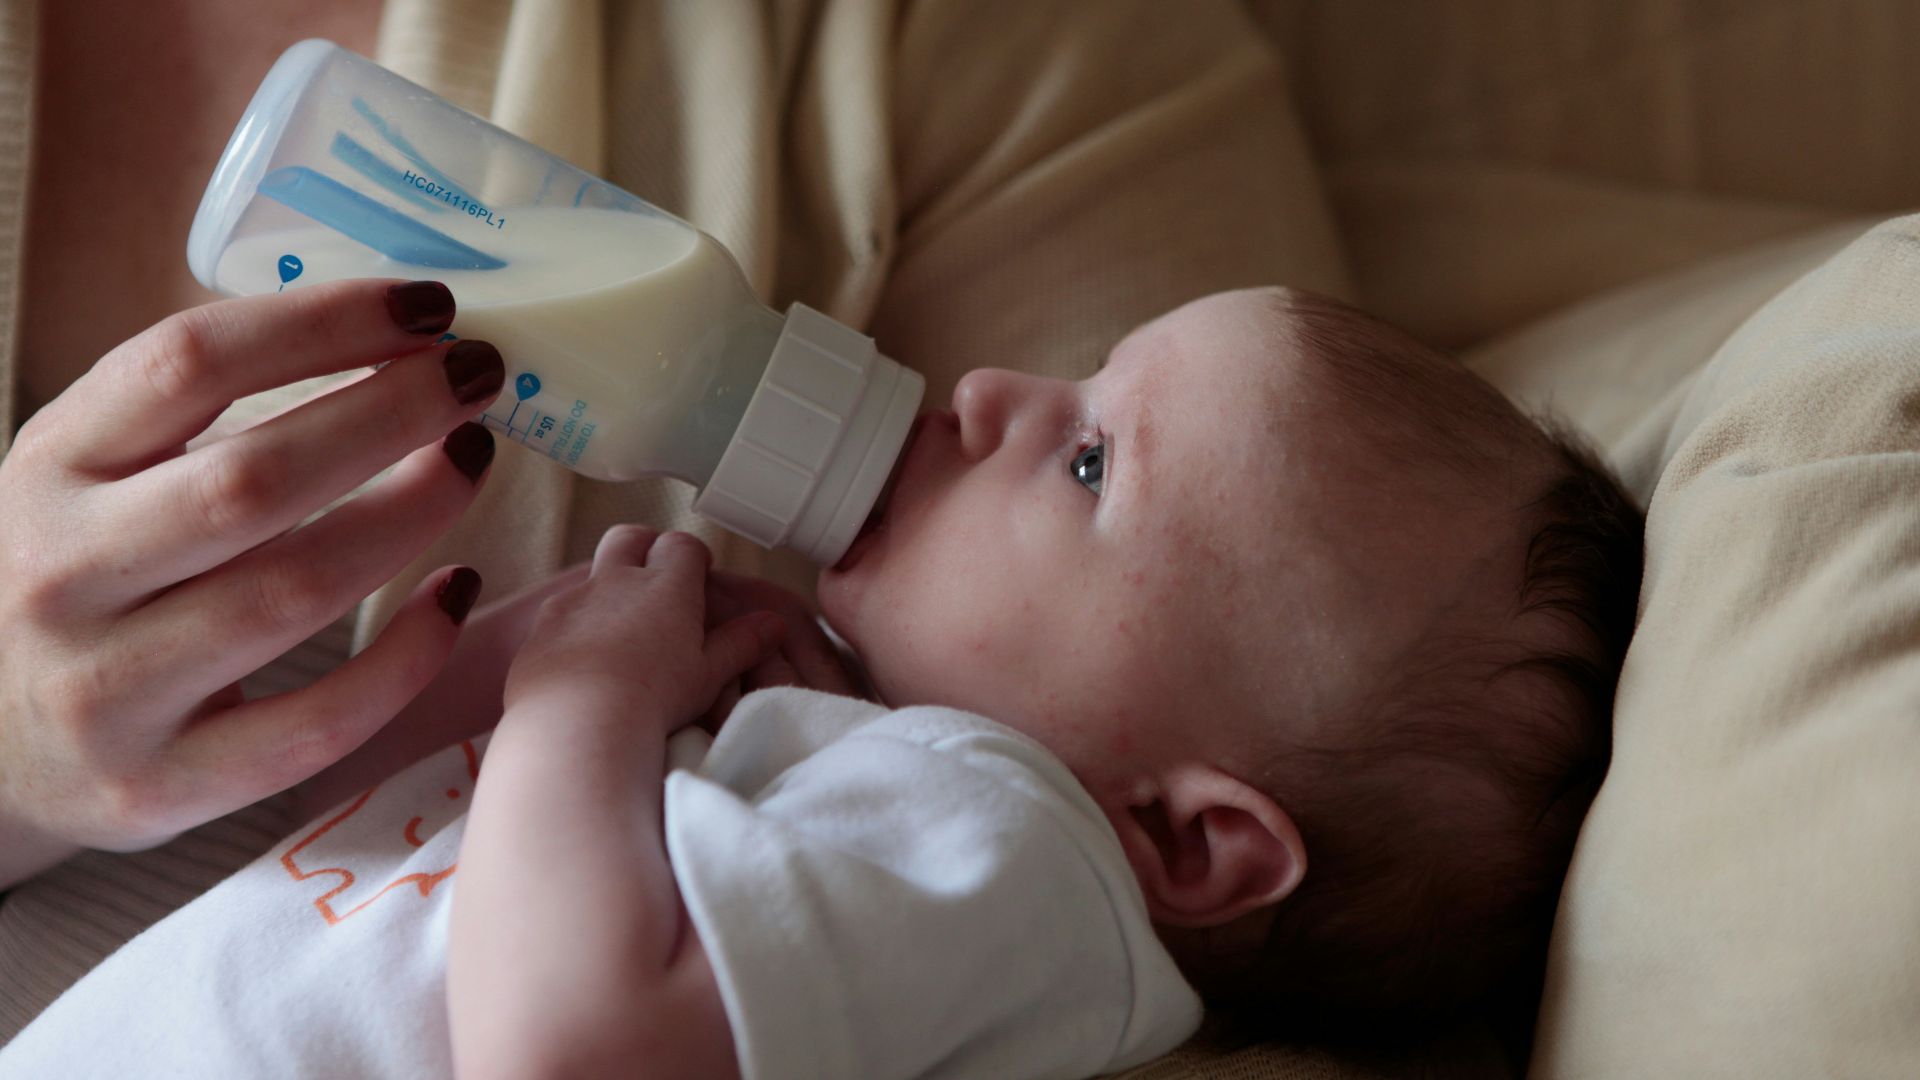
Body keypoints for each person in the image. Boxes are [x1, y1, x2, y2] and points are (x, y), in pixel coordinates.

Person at [0, 286, 1644, 1078]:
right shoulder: (856, 780)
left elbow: (564, 1049)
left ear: (1190, 843)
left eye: (1085, 464)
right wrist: (521, 676)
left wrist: (586, 703)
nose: (997, 386)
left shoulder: (1014, 859)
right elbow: (362, 855)